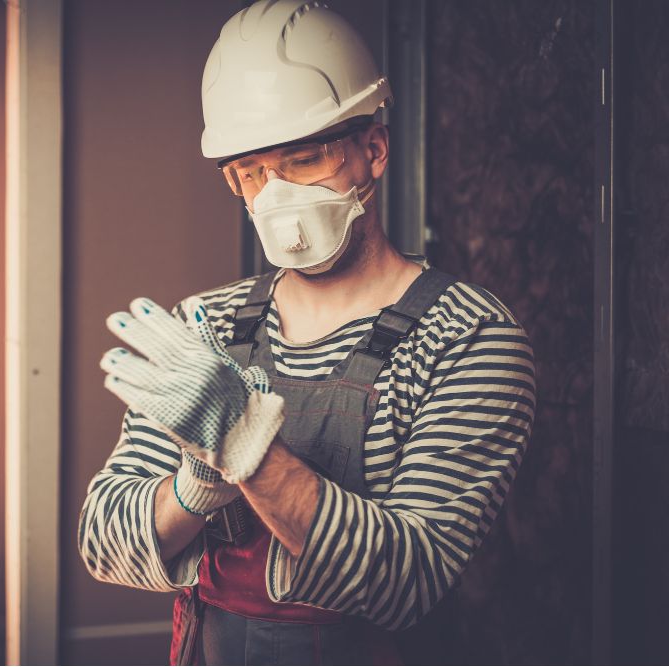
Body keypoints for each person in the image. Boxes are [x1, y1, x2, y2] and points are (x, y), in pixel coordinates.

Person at [78, 1, 536, 664]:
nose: (277, 194)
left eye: (302, 159)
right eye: (251, 173)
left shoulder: (469, 338)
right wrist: (192, 490)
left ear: (373, 150)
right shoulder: (203, 328)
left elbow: (405, 579)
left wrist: (248, 449)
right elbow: (104, 539)